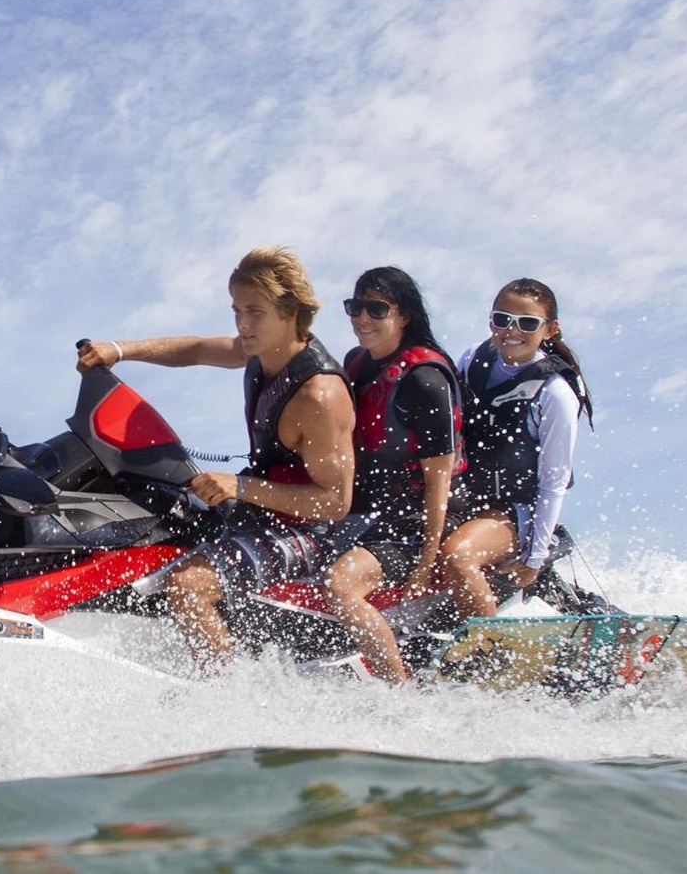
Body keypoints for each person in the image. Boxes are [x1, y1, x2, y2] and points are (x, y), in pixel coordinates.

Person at [75, 246, 355, 671]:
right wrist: (119, 349)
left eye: (254, 312)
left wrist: (240, 487)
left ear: (291, 311)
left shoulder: (319, 395)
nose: (242, 324)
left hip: (307, 533)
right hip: (255, 507)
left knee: (189, 586)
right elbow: (195, 349)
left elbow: (334, 503)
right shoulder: (261, 350)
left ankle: (223, 700)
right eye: (236, 310)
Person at [321, 267, 465, 683]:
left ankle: (400, 690)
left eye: (376, 309)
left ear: (403, 316)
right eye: (355, 307)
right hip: (363, 511)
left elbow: (441, 486)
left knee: (341, 585)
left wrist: (425, 562)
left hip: (415, 520)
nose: (361, 318)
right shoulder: (356, 363)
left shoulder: (425, 380)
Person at [438, 278, 594, 621]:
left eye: (527, 323)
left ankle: (489, 654)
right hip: (465, 501)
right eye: (502, 319)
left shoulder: (554, 394)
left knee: (457, 555)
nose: (512, 330)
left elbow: (553, 482)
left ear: (550, 329)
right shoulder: (472, 359)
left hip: (516, 513)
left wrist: (534, 559)